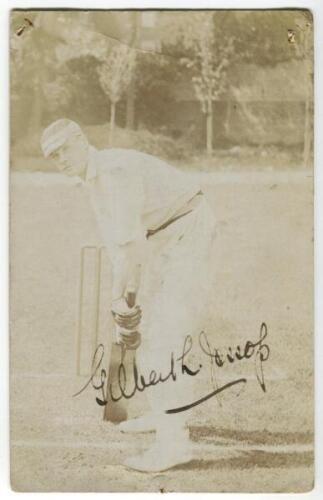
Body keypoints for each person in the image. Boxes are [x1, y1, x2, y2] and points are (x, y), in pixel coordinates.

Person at [41, 118, 216, 472]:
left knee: (163, 338)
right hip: (166, 235)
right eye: (53, 155)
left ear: (81, 139)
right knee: (152, 332)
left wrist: (124, 301)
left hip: (187, 232)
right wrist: (120, 301)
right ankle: (163, 414)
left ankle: (174, 445)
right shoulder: (94, 177)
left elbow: (132, 248)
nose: (60, 159)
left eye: (64, 149)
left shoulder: (113, 174)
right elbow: (120, 246)